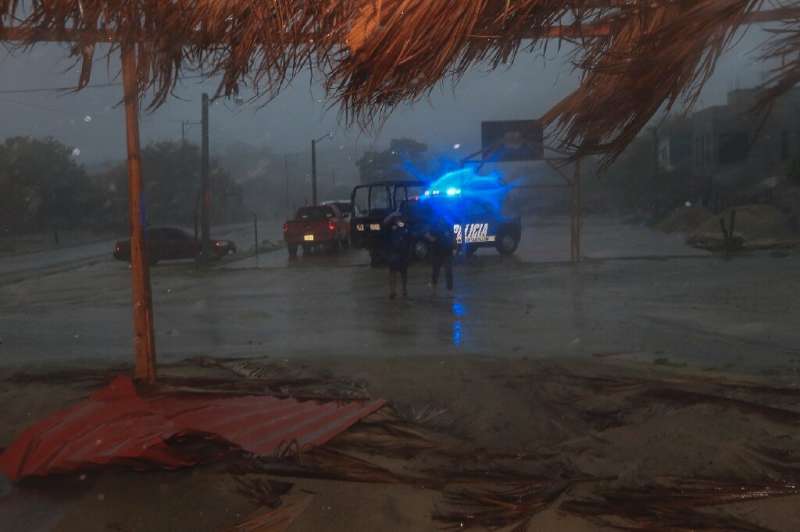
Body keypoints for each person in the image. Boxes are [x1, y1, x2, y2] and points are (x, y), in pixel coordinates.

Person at [383, 209, 411, 299]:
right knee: (392, 273)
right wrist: (392, 215)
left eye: (399, 218)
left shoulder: (404, 227)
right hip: (393, 253)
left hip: (403, 253)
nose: (398, 220)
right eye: (396, 218)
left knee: (404, 273)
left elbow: (409, 235)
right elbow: (384, 223)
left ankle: (404, 290)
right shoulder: (390, 227)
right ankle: (392, 291)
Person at [425, 213, 455, 293]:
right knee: (436, 270)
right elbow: (427, 235)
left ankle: (449, 288)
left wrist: (454, 247)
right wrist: (431, 238)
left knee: (447, 270)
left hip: (446, 251)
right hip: (438, 252)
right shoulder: (434, 227)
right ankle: (435, 285)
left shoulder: (448, 226)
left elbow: (453, 237)